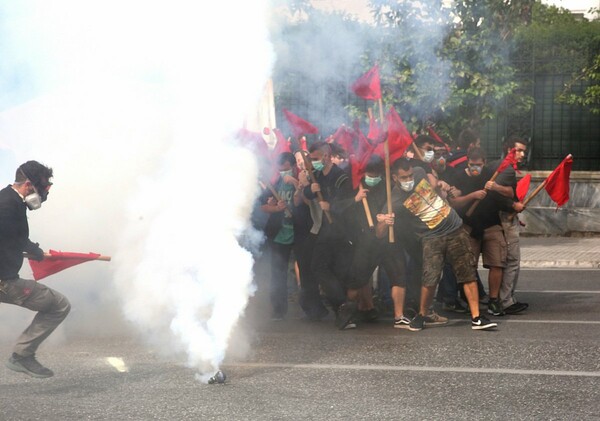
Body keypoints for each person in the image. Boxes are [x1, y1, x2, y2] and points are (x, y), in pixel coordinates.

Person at [376, 158, 497, 331]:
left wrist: (437, 182)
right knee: (430, 278)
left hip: (454, 228)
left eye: (410, 175)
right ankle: (422, 315)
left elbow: (432, 178)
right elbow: (379, 232)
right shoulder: (393, 200)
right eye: (404, 177)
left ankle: (477, 317)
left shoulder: (418, 171)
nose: (409, 179)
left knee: (467, 272)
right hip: (431, 237)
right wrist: (384, 222)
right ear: (395, 178)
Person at [0, 160, 71, 378]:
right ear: (29, 185)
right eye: (43, 186)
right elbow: (13, 236)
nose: (44, 192)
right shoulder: (7, 206)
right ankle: (22, 356)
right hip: (4, 281)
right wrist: (33, 250)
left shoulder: (8, 199)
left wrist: (30, 248)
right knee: (59, 305)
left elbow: (14, 237)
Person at [449, 148, 520, 316]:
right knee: (468, 265)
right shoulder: (459, 177)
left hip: (491, 225)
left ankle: (494, 301)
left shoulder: (491, 174)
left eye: (478, 165)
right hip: (468, 227)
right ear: (467, 162)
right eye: (472, 165)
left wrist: (495, 187)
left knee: (497, 263)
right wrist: (472, 196)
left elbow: (509, 192)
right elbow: (454, 203)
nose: (475, 168)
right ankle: (468, 299)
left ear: (484, 163)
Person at [303, 142, 356, 330]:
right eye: (312, 159)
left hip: (340, 229)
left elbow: (349, 202)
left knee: (331, 269)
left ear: (326, 156)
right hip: (324, 229)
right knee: (320, 267)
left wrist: (331, 206)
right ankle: (342, 308)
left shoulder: (341, 177)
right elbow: (307, 193)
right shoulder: (315, 175)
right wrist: (311, 189)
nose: (314, 162)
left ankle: (343, 308)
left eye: (316, 158)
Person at [488, 136, 528, 314]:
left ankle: (503, 298)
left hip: (500, 217)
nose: (522, 154)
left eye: (523, 151)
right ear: (508, 150)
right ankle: (506, 301)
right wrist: (513, 205)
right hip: (505, 218)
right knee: (512, 260)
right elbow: (495, 195)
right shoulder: (507, 171)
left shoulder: (496, 166)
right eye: (518, 150)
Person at [260, 152, 299, 320]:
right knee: (278, 273)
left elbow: (305, 202)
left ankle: (311, 308)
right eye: (281, 169)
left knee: (305, 271)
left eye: (287, 169)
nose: (284, 172)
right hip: (278, 234)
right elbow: (263, 205)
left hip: (300, 232)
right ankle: (279, 309)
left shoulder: (303, 180)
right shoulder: (274, 183)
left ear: (293, 167)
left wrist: (297, 184)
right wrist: (275, 208)